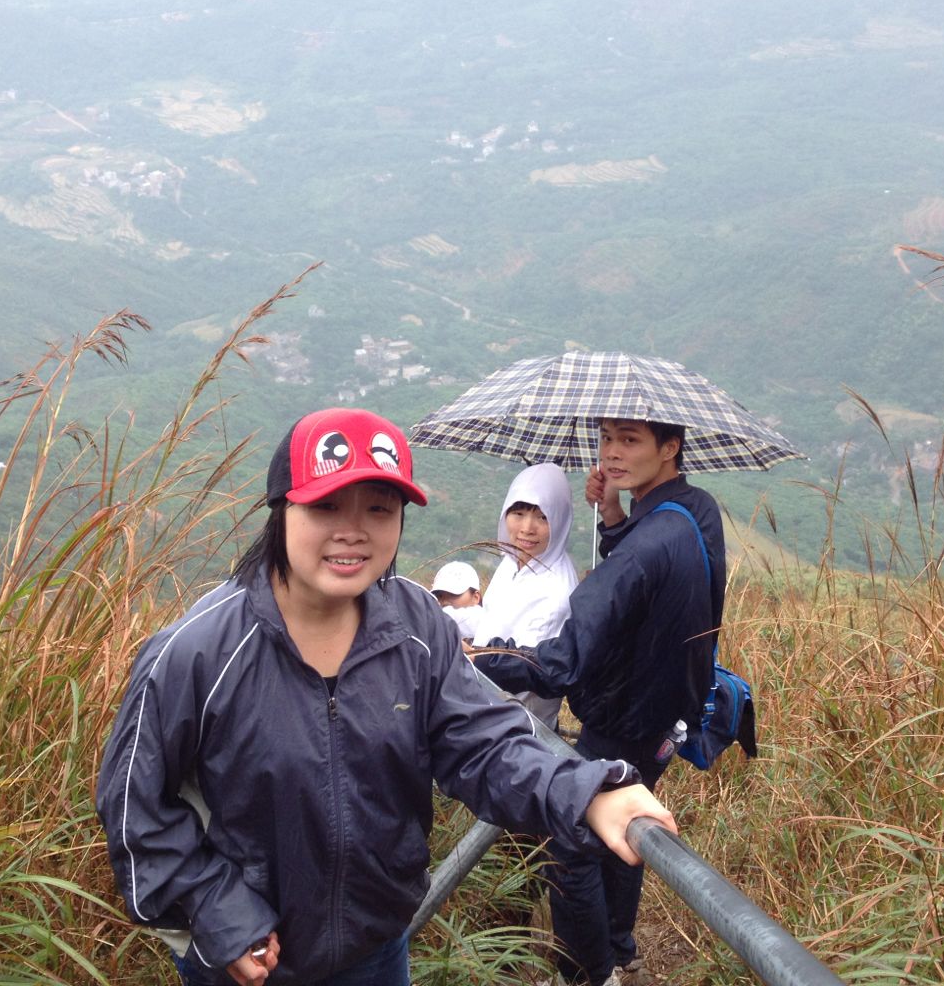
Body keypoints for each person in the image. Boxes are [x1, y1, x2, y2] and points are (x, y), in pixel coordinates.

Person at [95, 407, 677, 986]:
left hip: (377, 945)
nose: (353, 530)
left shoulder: (415, 626)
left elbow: (482, 743)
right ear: (282, 509)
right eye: (326, 506)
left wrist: (585, 792)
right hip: (251, 955)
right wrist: (217, 910)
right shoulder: (198, 652)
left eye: (379, 508)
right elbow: (133, 807)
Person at [472, 418, 725, 986]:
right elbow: (648, 581)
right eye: (607, 438)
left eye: (629, 440)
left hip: (624, 716)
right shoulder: (693, 509)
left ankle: (586, 974)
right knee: (625, 822)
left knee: (573, 841)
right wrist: (612, 517)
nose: (611, 453)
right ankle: (619, 949)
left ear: (670, 446)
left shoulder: (646, 545)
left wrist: (480, 657)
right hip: (668, 714)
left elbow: (561, 663)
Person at [440, 462, 579, 730]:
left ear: (560, 520)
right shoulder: (514, 559)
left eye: (543, 517)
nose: (527, 528)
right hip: (483, 704)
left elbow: (523, 671)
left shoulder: (555, 591)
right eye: (518, 513)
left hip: (516, 727)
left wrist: (471, 661)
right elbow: (492, 620)